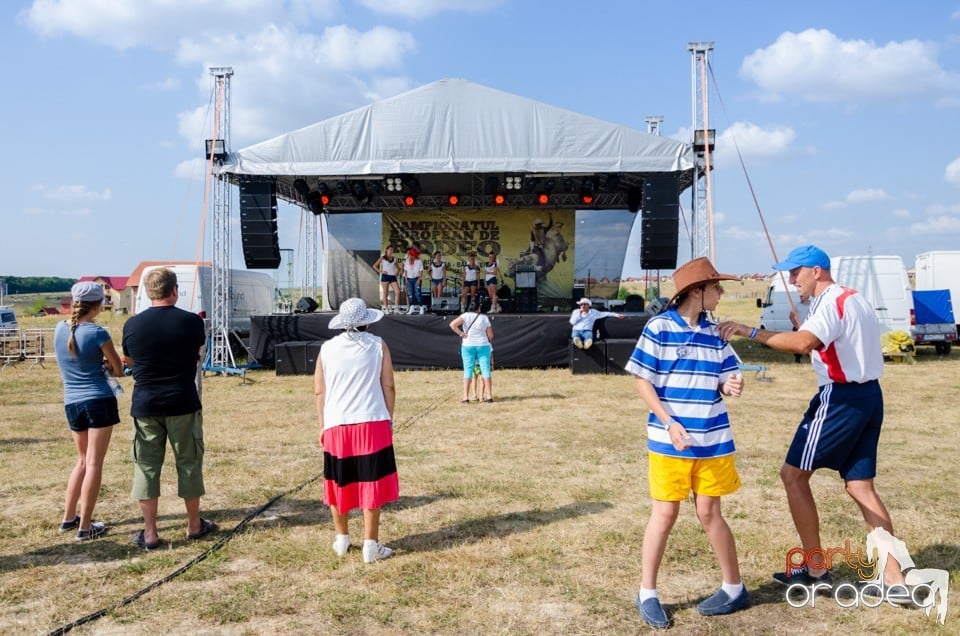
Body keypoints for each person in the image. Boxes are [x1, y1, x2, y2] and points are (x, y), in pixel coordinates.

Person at [718, 245, 905, 592]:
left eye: (795, 273)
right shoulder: (853, 298)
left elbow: (804, 344)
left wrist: (750, 331)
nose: (791, 280)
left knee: (793, 476)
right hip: (869, 396)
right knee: (860, 486)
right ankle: (894, 578)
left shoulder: (831, 301)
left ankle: (816, 570)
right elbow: (832, 341)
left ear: (816, 271)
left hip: (840, 398)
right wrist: (804, 327)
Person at [625, 257, 748, 628]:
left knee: (711, 513)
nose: (721, 293)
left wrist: (731, 384)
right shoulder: (659, 328)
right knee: (664, 514)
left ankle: (734, 587)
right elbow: (642, 380)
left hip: (714, 441)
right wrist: (669, 422)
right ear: (697, 291)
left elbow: (726, 376)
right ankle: (647, 592)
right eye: (716, 287)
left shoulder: (715, 332)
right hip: (670, 443)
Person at [122, 267, 216, 550]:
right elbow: (200, 355)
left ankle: (150, 532)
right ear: (175, 290)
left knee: (147, 467)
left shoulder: (132, 325)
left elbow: (128, 360)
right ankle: (194, 525)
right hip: (182, 401)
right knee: (189, 462)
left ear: (149, 292)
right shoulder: (191, 322)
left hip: (145, 403)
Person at [315, 298, 399, 563]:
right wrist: (389, 418)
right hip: (372, 420)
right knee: (371, 483)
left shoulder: (326, 349)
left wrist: (323, 425)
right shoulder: (378, 345)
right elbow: (389, 386)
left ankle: (341, 538)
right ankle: (370, 544)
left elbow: (320, 391)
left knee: (338, 481)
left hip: (336, 423)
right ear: (366, 321)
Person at [52, 281, 124, 541]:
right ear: (98, 304)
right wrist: (106, 365)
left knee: (81, 461)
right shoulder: (97, 333)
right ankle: (86, 526)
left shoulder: (59, 329)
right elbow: (119, 370)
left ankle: (68, 517)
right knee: (94, 462)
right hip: (98, 401)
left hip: (71, 402)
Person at [449, 298, 494, 403]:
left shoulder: (465, 316)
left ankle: (465, 397)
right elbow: (491, 335)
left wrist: (461, 334)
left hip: (468, 344)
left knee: (468, 370)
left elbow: (452, 325)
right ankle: (489, 396)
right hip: (483, 345)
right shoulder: (484, 317)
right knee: (485, 369)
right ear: (478, 308)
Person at [372, 245, 401, 314]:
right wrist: (381, 272)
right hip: (385, 276)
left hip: (392, 277)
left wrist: (397, 273)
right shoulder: (382, 258)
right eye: (390, 250)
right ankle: (386, 308)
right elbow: (374, 266)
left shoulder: (394, 259)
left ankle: (396, 309)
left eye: (392, 250)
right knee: (385, 293)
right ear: (386, 250)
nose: (392, 251)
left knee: (398, 292)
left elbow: (399, 268)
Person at [403, 247, 425, 315]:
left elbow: (421, 270)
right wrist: (406, 278)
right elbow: (405, 270)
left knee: (418, 293)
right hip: (409, 279)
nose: (414, 256)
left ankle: (421, 307)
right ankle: (412, 307)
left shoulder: (419, 261)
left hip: (416, 278)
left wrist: (419, 279)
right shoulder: (406, 261)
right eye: (413, 255)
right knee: (411, 294)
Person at [791, 292, 811, 363]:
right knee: (797, 343)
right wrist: (796, 325)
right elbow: (791, 316)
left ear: (808, 296)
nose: (801, 296)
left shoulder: (812, 305)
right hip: (799, 328)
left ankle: (811, 358)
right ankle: (797, 358)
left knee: (810, 343)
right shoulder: (797, 306)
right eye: (800, 296)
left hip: (809, 328)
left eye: (802, 295)